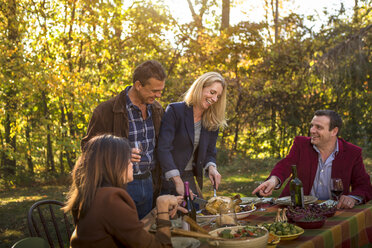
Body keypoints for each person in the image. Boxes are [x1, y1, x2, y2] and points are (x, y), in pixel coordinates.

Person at [63, 135, 186, 248]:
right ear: (112, 164)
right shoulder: (110, 200)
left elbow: (132, 233)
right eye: (127, 159)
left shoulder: (96, 195)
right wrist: (163, 207)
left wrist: (157, 211)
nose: (132, 164)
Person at [81, 60, 166, 219]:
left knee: (144, 233)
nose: (159, 95)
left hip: (148, 182)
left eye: (161, 90)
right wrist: (119, 154)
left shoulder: (157, 109)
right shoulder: (106, 110)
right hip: (119, 185)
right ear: (138, 85)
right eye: (154, 90)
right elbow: (88, 148)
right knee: (121, 236)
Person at [252, 110, 372, 209]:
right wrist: (274, 180)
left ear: (334, 131)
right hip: (295, 208)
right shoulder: (301, 144)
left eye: (318, 127)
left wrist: (353, 197)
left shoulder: (352, 153)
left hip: (332, 211)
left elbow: (364, 186)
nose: (312, 130)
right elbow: (286, 164)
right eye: (312, 125)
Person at [157, 72, 227, 197]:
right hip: (168, 177)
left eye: (218, 96)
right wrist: (177, 179)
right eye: (212, 92)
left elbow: (210, 152)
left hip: (189, 177)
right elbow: (163, 148)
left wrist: (211, 168)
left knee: (195, 215)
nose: (215, 99)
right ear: (200, 88)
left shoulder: (212, 120)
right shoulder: (175, 111)